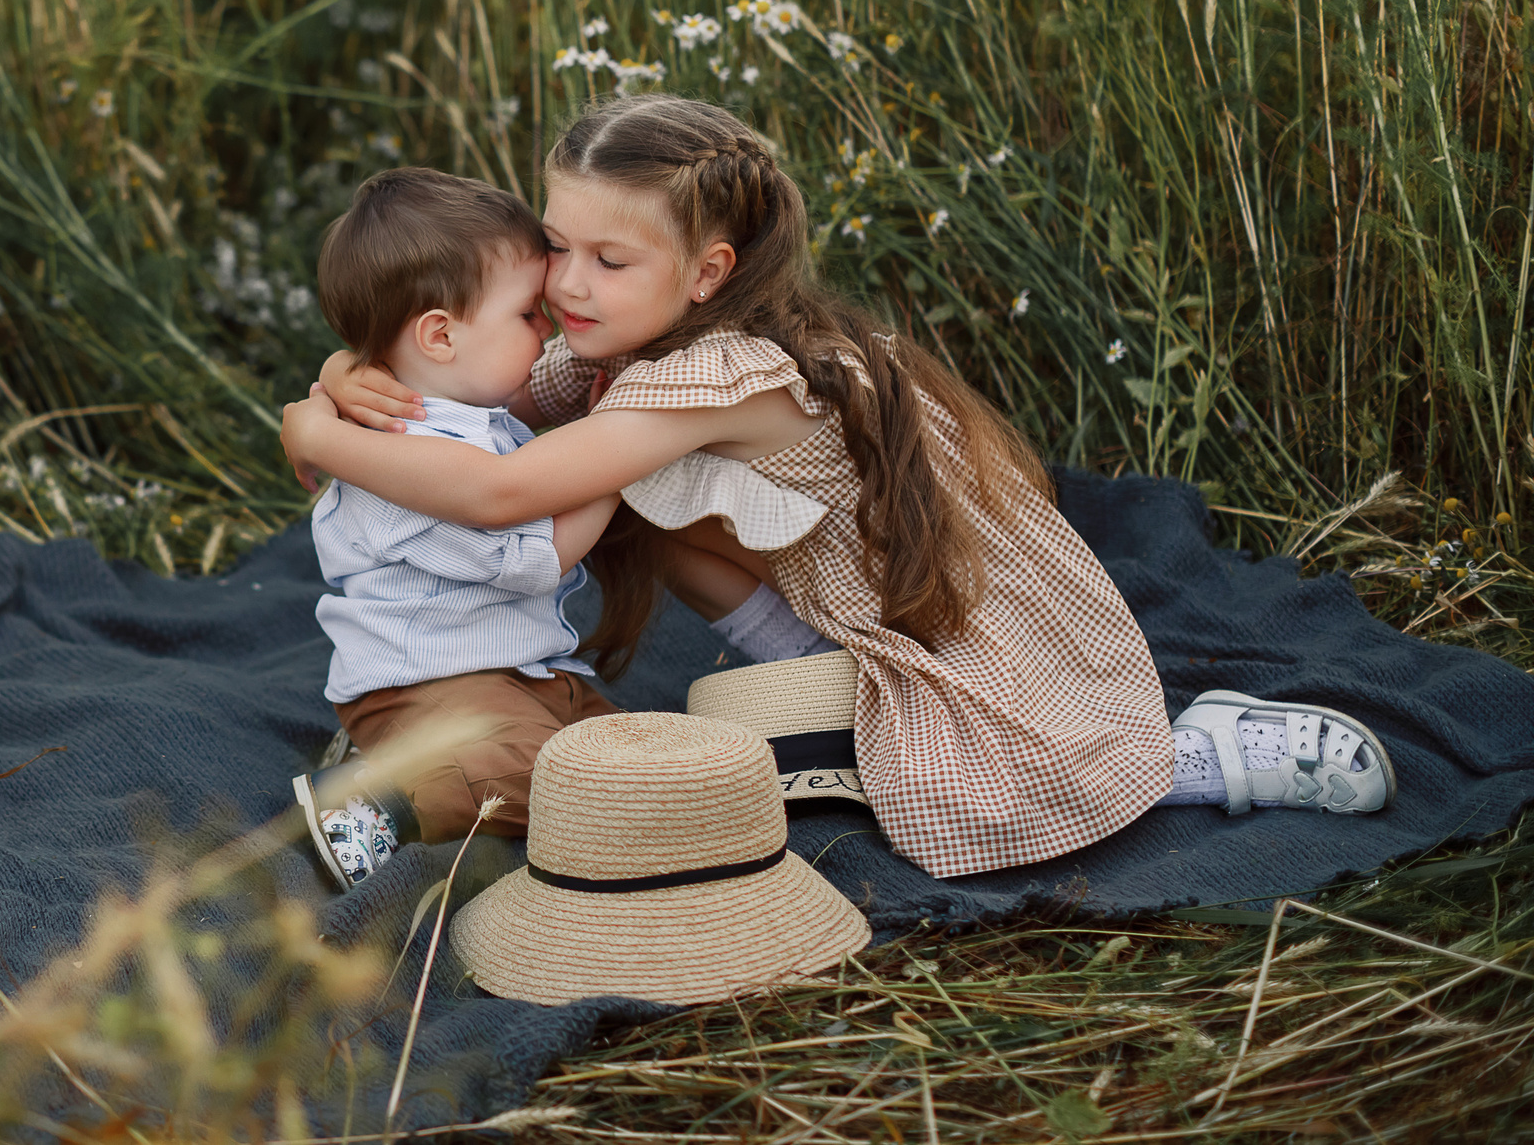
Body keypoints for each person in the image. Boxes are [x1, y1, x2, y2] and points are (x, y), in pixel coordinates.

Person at [283, 96, 1395, 880]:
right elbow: (462, 382)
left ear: (708, 272)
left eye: (608, 262)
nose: (567, 286)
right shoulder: (633, 341)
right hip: (847, 597)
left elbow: (497, 493)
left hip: (950, 618)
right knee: (652, 523)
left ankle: (1196, 757)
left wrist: (316, 431)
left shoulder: (717, 376)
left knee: (972, 789)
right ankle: (811, 680)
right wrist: (348, 369)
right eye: (556, 248)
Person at [291, 167, 625, 889]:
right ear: (440, 335)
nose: (547, 328)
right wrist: (616, 458)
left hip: (522, 671)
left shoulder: (472, 420)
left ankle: (429, 763)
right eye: (527, 314)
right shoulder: (407, 456)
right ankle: (384, 796)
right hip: (424, 687)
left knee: (624, 757)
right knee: (565, 783)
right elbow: (535, 559)